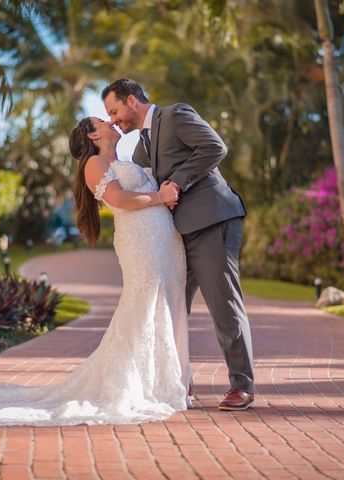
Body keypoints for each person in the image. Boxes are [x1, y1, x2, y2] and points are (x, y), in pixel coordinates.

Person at [0, 117, 191, 426]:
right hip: (139, 242)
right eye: (102, 119)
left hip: (159, 242)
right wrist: (159, 197)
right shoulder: (94, 164)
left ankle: (159, 381)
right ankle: (135, 384)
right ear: (94, 135)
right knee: (142, 303)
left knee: (159, 304)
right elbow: (119, 199)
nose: (111, 120)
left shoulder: (122, 160)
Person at [102, 78, 255, 410]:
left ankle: (242, 385)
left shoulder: (175, 115)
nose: (114, 119)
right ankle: (179, 383)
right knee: (168, 307)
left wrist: (177, 181)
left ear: (131, 100)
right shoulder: (141, 146)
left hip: (213, 221)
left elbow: (215, 147)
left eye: (114, 111)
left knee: (224, 303)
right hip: (179, 236)